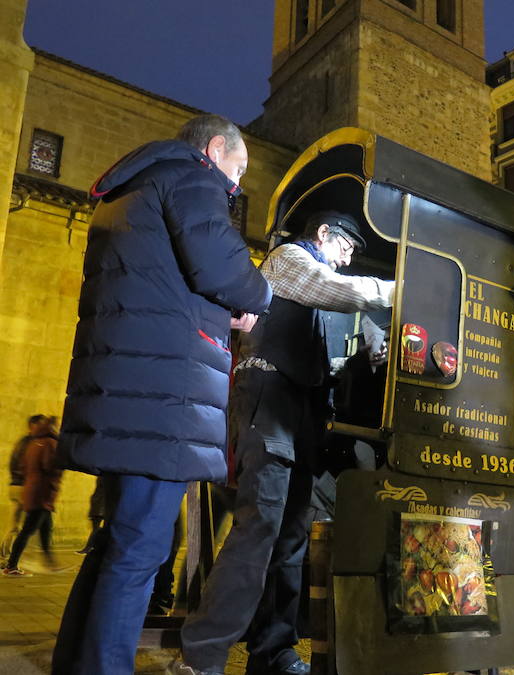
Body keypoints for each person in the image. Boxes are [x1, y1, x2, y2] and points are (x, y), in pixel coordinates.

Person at [50, 114, 272, 675]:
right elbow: (228, 271)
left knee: (113, 548)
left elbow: (164, 280)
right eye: (238, 169)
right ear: (215, 148)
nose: (237, 185)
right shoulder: (193, 178)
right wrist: (257, 293)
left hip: (123, 392)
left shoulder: (130, 189)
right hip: (161, 397)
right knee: (139, 554)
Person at [172, 211, 394, 675]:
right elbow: (343, 291)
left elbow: (313, 366)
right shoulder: (287, 260)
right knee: (258, 533)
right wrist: (401, 289)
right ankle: (200, 655)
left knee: (290, 541)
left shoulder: (309, 291)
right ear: (323, 233)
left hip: (299, 419)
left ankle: (272, 651)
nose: (348, 259)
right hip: (269, 412)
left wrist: (358, 363)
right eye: (346, 247)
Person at [2, 415, 61, 576]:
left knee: (45, 528)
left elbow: (23, 465)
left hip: (34, 490)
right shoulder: (49, 443)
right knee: (26, 529)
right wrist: (61, 466)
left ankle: (50, 562)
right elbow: (50, 466)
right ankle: (11, 565)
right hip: (41, 493)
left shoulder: (33, 442)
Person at [2, 414, 47, 557]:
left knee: (15, 524)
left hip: (15, 485)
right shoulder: (33, 443)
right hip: (23, 486)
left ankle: (6, 555)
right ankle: (8, 558)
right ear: (33, 426)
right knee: (24, 526)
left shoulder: (22, 442)